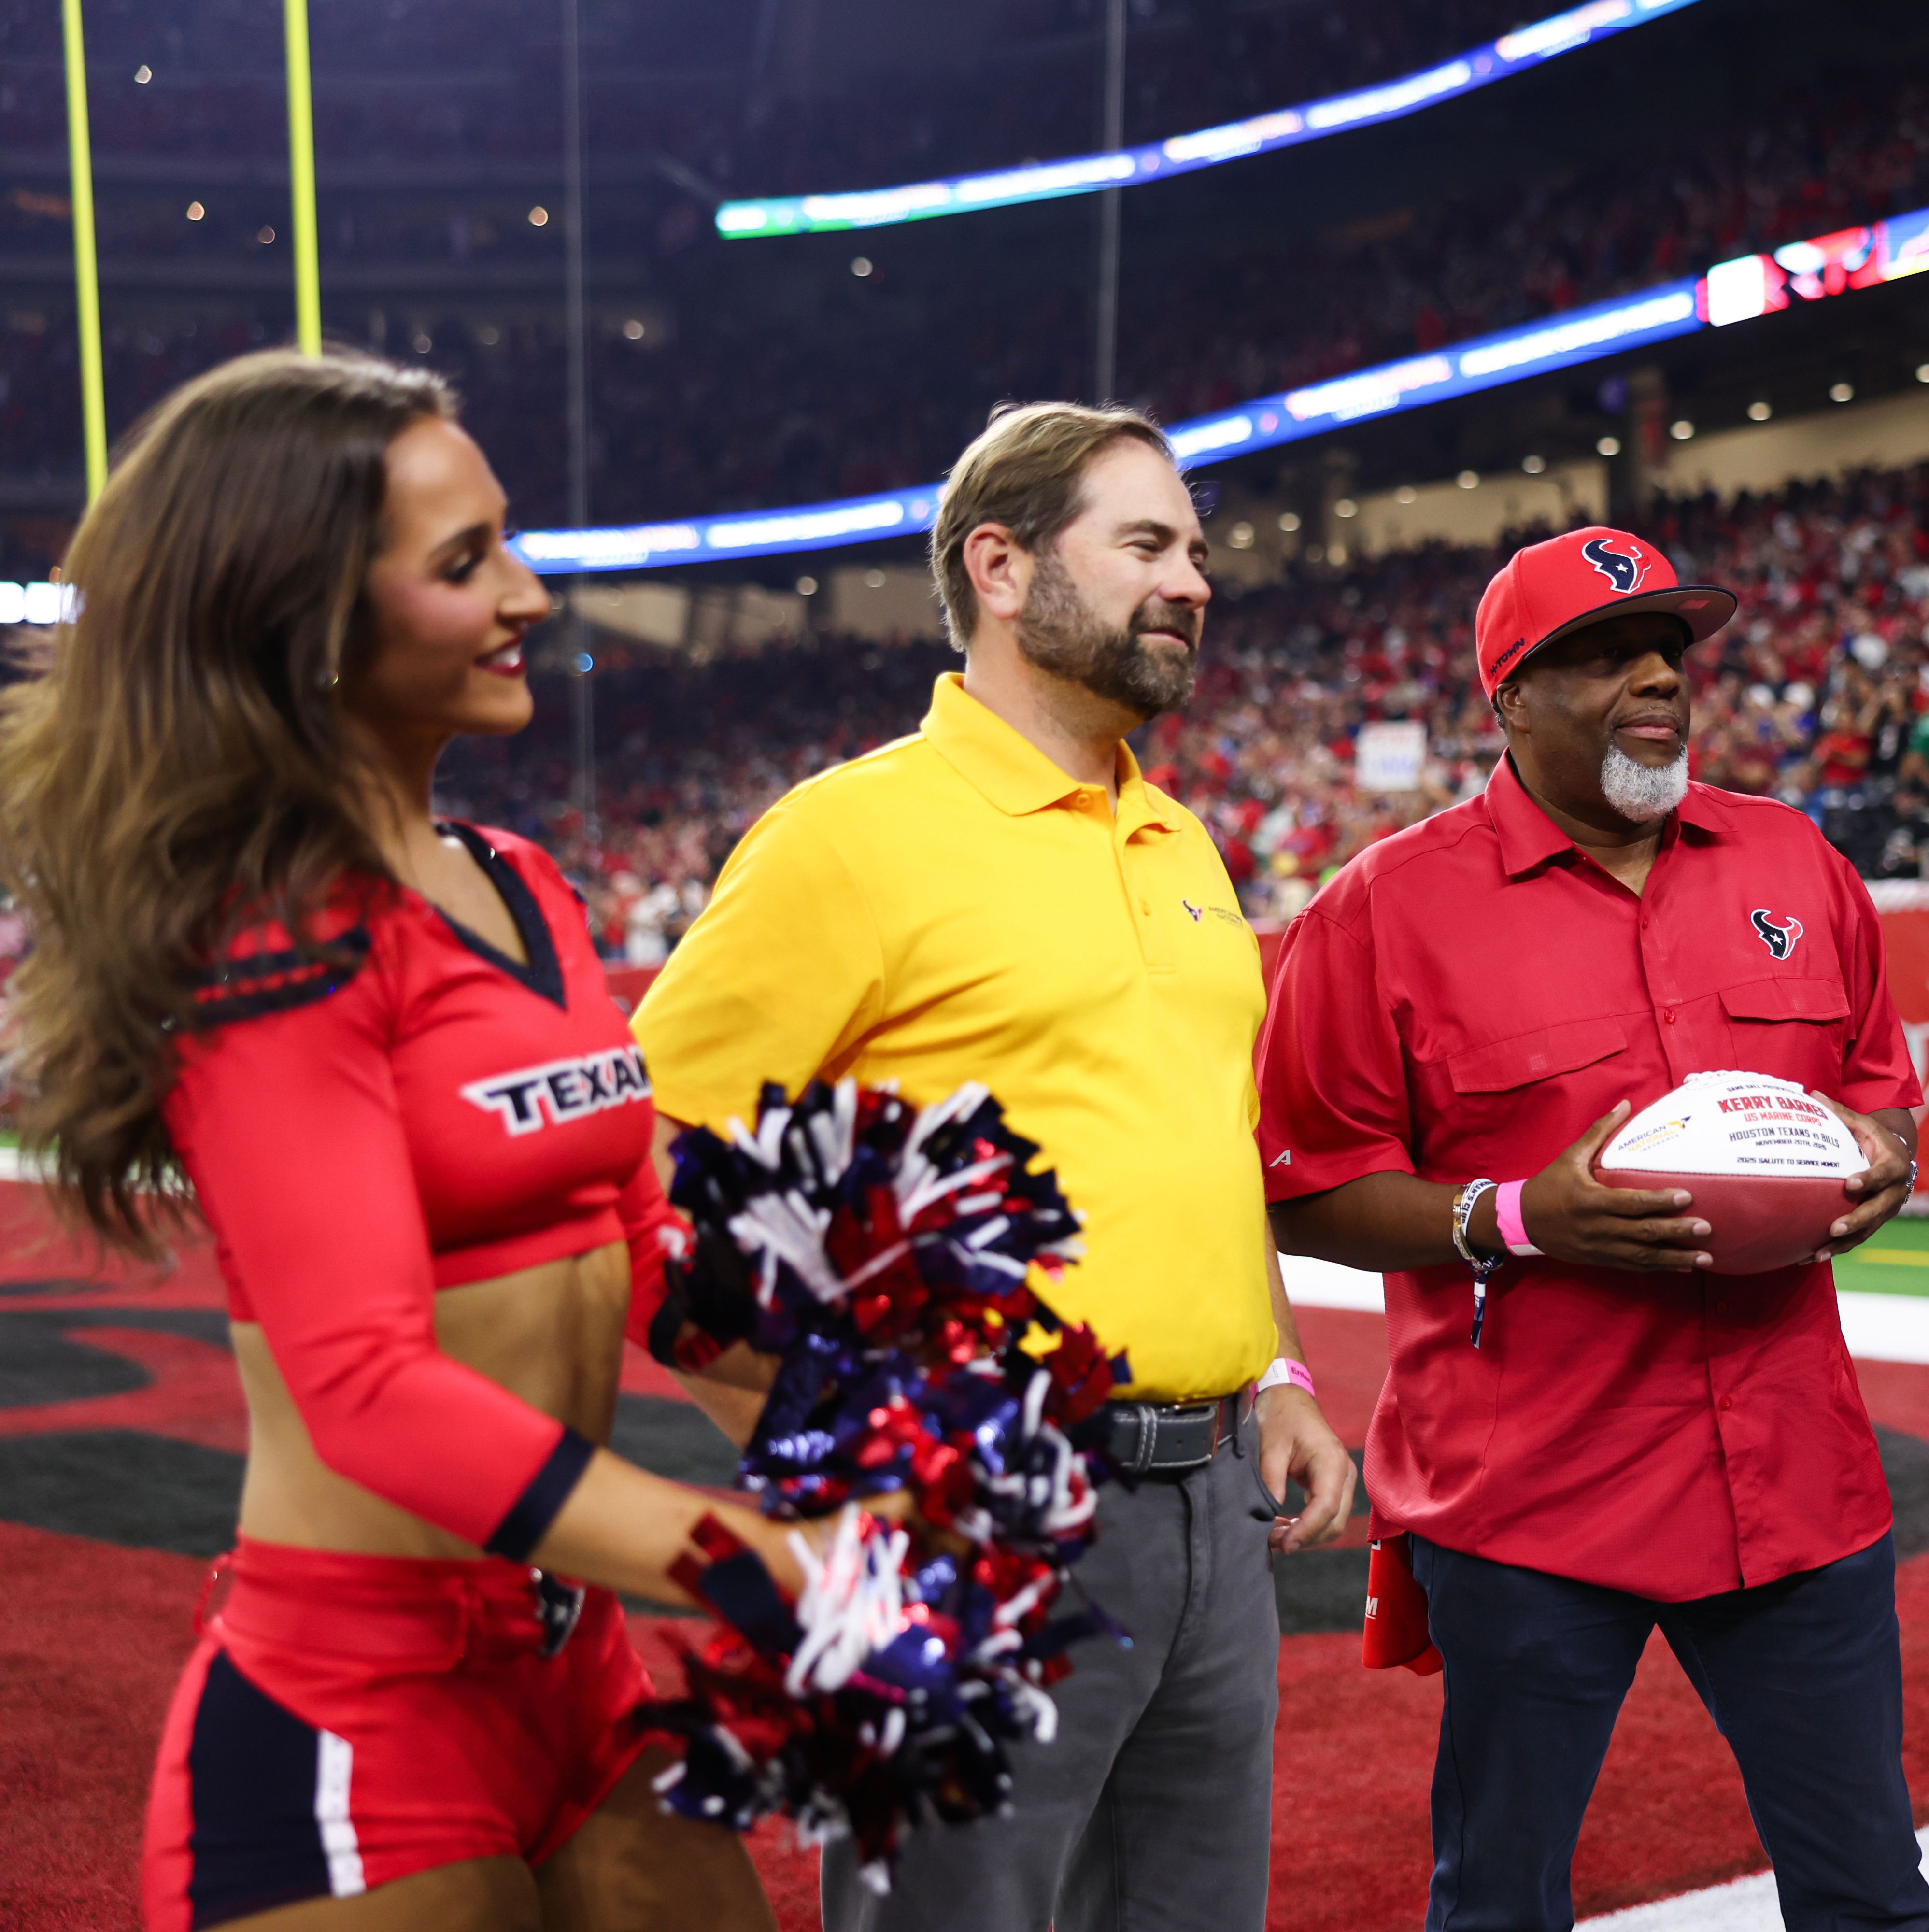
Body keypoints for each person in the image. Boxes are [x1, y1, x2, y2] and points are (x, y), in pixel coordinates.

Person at [0, 351, 796, 1931]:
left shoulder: (526, 883)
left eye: (507, 538)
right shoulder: (268, 943)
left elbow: (640, 1255)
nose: (532, 593)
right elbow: (362, 1388)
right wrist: (744, 1558)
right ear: (310, 628)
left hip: (575, 1665)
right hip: (358, 1714)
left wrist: (908, 1423)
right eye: (464, 563)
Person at [628, 401, 1357, 1932]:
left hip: (1215, 1507)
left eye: (1199, 549)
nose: (1195, 580)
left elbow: (1192, 1143)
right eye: (1148, 542)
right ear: (1004, 567)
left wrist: (1277, 1366)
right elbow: (644, 1159)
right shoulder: (847, 836)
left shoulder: (1181, 840)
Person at [1257, 526, 1929, 1932]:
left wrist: (1878, 1160)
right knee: (1499, 1900)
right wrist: (1516, 1215)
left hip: (1792, 1481)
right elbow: (1299, 1184)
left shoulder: (1793, 858)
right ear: (1503, 694)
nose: (1654, 678)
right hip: (1528, 1502)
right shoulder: (1383, 907)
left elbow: (1875, 1094)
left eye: (1669, 651)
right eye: (1600, 653)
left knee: (1868, 1895)